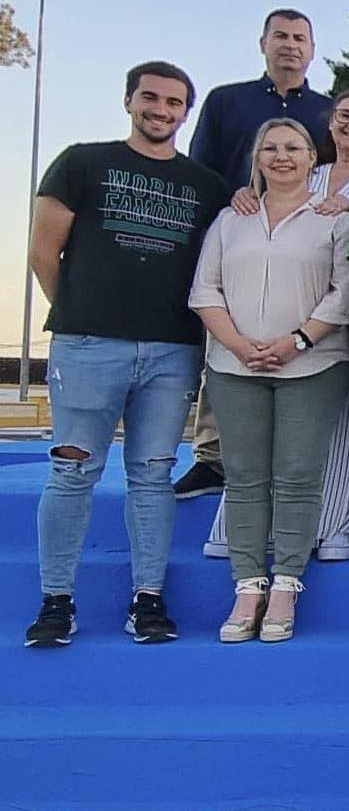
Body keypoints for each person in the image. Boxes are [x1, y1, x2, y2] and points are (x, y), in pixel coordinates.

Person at [24, 61, 227, 648]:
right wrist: (82, 317)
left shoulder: (205, 185)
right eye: (151, 98)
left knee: (152, 475)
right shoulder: (82, 162)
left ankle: (148, 598)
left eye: (173, 103)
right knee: (71, 472)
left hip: (171, 352)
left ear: (186, 113)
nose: (161, 110)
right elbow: (44, 253)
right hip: (88, 347)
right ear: (129, 101)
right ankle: (56, 601)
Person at [204, 89, 349, 562]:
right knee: (271, 440)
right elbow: (262, 206)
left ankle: (333, 524)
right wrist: (245, 192)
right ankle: (248, 531)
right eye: (345, 116)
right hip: (285, 312)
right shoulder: (304, 168)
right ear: (330, 125)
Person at [190, 119, 349, 642]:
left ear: (314, 158)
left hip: (312, 363)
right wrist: (240, 345)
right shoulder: (230, 220)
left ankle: (286, 583)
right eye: (271, 148)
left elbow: (345, 293)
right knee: (244, 476)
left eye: (293, 148)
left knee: (296, 475)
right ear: (257, 158)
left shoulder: (334, 220)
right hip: (234, 365)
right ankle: (247, 585)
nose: (282, 157)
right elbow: (206, 290)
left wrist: (297, 341)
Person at [176, 8, 332, 501]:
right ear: (262, 42)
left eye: (300, 38)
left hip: (304, 244)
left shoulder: (327, 112)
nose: (290, 45)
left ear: (312, 49)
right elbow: (201, 170)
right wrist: (237, 201)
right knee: (226, 347)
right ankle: (211, 457)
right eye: (280, 36)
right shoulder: (227, 102)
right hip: (238, 235)